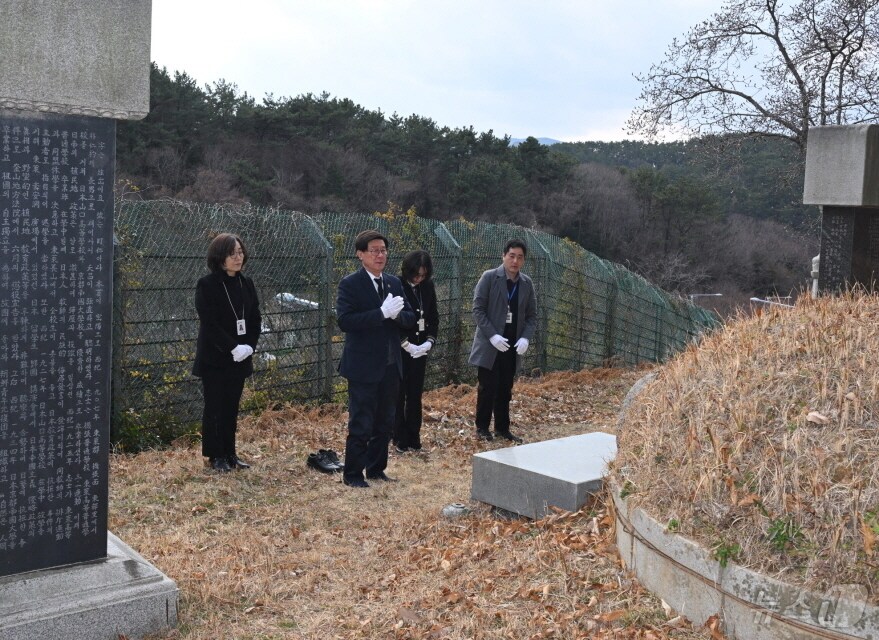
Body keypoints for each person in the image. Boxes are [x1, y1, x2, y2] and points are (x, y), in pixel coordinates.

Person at [336, 230, 415, 488]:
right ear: (360, 254)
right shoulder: (350, 284)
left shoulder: (393, 283)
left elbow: (410, 317)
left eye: (383, 250)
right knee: (361, 422)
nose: (380, 255)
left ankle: (376, 469)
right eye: (374, 251)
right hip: (363, 366)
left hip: (391, 364)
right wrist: (380, 313)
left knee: (385, 422)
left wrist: (396, 315)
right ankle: (353, 474)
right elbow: (345, 321)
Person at [193, 233, 262, 473]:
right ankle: (216, 455)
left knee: (231, 407)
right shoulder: (207, 284)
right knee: (215, 407)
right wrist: (232, 346)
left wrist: (249, 346)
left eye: (240, 252)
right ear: (220, 257)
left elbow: (255, 318)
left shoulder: (246, 283)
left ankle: (230, 453)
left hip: (240, 357)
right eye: (232, 254)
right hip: (215, 357)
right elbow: (209, 323)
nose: (238, 257)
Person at [468, 239, 537, 443]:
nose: (515, 261)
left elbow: (532, 316)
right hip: (490, 344)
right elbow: (478, 310)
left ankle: (502, 428)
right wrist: (492, 335)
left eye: (520, 257)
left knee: (505, 388)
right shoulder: (489, 277)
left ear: (524, 260)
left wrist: (525, 337)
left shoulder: (526, 283)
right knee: (487, 387)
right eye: (512, 256)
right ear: (504, 256)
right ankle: (482, 428)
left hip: (512, 344)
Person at [394, 250, 439, 452]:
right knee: (398, 394)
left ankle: (414, 435)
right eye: (416, 274)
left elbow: (433, 317)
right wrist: (405, 343)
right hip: (401, 348)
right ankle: (399, 437)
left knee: (415, 394)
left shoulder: (427, 286)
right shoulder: (396, 285)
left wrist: (429, 341)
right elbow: (392, 319)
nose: (419, 279)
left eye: (423, 275)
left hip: (420, 348)